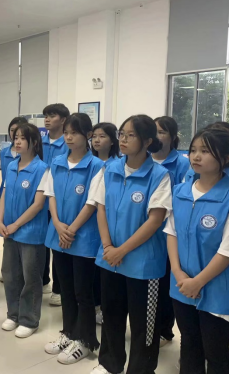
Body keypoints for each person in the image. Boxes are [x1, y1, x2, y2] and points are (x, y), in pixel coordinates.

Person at [91, 115, 172, 375]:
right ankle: (109, 364)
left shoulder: (159, 175)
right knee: (111, 315)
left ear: (147, 141)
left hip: (143, 264)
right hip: (110, 258)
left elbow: (155, 220)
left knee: (143, 324)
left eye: (131, 135)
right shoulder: (110, 169)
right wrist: (108, 247)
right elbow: (101, 208)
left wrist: (121, 251)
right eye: (122, 134)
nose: (123, 140)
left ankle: (141, 369)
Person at [167, 127, 229, 374]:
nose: (196, 156)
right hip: (182, 283)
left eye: (205, 151)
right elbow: (171, 232)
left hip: (218, 289)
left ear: (226, 158)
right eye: (193, 150)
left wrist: (198, 282)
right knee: (189, 344)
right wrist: (177, 272)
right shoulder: (180, 192)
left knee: (215, 352)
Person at [43, 114, 105, 364]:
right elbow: (51, 195)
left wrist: (71, 230)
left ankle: (86, 341)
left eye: (74, 133)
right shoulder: (57, 162)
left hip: (83, 238)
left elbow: (92, 202)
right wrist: (58, 224)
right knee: (65, 290)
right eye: (66, 132)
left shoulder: (97, 166)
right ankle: (69, 333)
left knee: (83, 293)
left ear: (87, 135)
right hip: (58, 234)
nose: (68, 137)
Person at [0, 123, 48, 339]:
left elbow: (38, 204)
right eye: (15, 138)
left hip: (31, 232)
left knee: (31, 278)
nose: (17, 142)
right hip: (9, 230)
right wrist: (0, 220)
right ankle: (13, 314)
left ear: (34, 142)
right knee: (10, 274)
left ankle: (29, 319)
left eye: (22, 138)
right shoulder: (11, 166)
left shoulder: (42, 169)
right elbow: (4, 193)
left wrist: (16, 224)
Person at [150, 116, 191, 349]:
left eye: (162, 132)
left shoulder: (183, 165)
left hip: (170, 234)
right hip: (144, 233)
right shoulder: (143, 160)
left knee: (166, 286)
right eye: (153, 132)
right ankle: (149, 328)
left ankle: (164, 330)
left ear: (173, 137)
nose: (156, 137)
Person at [91, 122, 120, 325]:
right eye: (94, 136)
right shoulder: (88, 162)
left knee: (104, 273)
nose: (97, 140)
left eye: (102, 136)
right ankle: (93, 307)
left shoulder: (116, 166)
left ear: (112, 141)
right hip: (86, 225)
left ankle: (103, 308)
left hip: (106, 228)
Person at [42, 103, 70, 307]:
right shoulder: (38, 142)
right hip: (38, 201)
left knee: (59, 247)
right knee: (40, 244)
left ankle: (58, 289)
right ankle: (43, 280)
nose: (47, 119)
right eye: (46, 116)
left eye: (52, 116)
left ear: (63, 119)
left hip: (59, 202)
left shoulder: (68, 143)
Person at [0, 117, 28, 194]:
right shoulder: (3, 152)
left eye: (17, 130)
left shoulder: (28, 153)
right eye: (12, 130)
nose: (14, 133)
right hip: (5, 192)